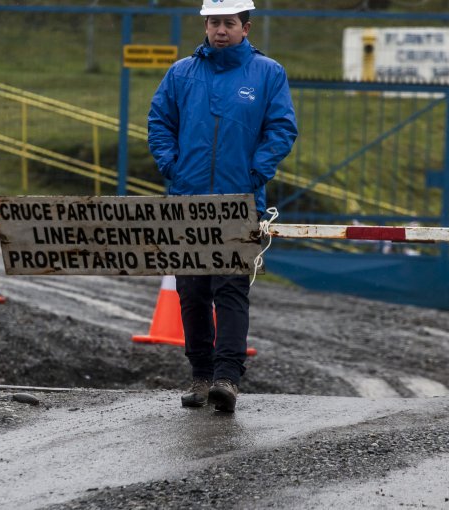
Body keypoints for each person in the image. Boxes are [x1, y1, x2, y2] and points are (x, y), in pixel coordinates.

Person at [147, 0, 297, 413]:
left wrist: (257, 171)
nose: (220, 30)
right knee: (192, 291)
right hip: (187, 200)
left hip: (240, 202)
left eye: (229, 23)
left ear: (245, 27)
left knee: (230, 290)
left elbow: (282, 127)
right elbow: (160, 121)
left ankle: (228, 379)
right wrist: (171, 166)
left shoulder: (268, 73)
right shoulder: (181, 73)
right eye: (214, 22)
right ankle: (200, 375)